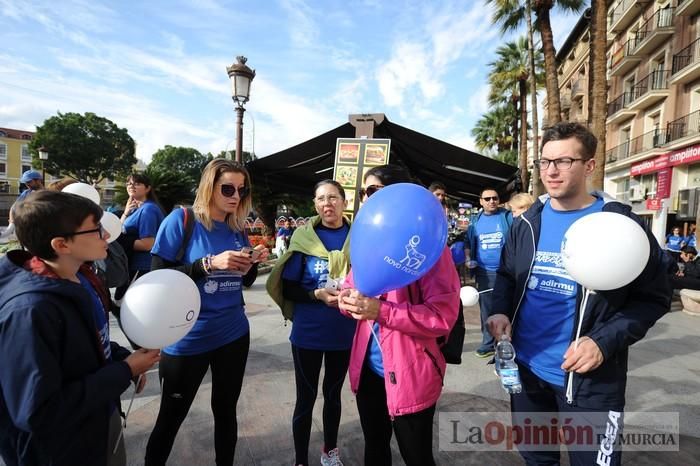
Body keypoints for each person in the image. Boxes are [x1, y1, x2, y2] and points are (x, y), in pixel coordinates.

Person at [487, 122, 671, 466]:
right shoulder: (526, 223)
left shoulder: (622, 226)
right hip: (527, 372)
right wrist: (499, 310)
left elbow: (654, 298)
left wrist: (602, 342)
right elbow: (507, 277)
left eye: (564, 161)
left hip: (590, 385)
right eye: (544, 162)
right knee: (537, 459)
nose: (551, 172)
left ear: (588, 166)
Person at [0, 190, 160, 466]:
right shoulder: (30, 312)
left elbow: (88, 340)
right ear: (62, 244)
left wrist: (121, 357)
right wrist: (125, 370)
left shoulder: (81, 276)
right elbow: (38, 411)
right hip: (61, 450)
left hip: (95, 424)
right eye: (96, 230)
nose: (107, 235)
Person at [144, 159, 269, 466]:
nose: (236, 196)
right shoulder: (181, 219)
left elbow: (246, 281)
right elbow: (158, 277)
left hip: (233, 332)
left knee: (226, 412)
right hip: (187, 335)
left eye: (242, 189)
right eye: (228, 188)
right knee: (171, 417)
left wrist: (250, 262)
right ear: (208, 187)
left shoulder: (237, 227)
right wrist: (209, 264)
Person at [337, 164, 460, 466]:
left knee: (416, 456)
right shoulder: (367, 236)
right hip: (368, 371)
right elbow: (351, 289)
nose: (366, 199)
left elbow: (441, 316)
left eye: (373, 191)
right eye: (364, 192)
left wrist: (382, 311)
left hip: (410, 373)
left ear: (400, 196)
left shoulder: (432, 248)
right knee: (375, 449)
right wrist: (345, 300)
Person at [266, 180, 355, 466]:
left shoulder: (360, 238)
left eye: (332, 198)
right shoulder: (303, 238)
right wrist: (315, 294)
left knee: (333, 396)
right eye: (320, 199)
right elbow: (288, 287)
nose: (327, 204)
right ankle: (301, 461)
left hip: (345, 332)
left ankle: (330, 453)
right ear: (315, 204)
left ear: (344, 201)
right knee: (305, 399)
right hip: (309, 334)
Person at [465, 187, 513, 357]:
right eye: (487, 199)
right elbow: (468, 243)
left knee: (507, 306)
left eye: (495, 197)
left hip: (507, 271)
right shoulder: (475, 221)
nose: (492, 201)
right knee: (486, 309)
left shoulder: (507, 217)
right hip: (484, 272)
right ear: (481, 201)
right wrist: (468, 259)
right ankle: (488, 344)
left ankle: (505, 342)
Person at [115, 173, 165, 299]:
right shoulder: (135, 208)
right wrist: (126, 213)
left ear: (147, 188)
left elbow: (148, 244)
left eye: (137, 183)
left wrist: (121, 241)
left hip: (142, 266)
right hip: (132, 265)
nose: (131, 186)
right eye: (129, 183)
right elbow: (119, 229)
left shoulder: (148, 210)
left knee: (125, 305)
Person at [0, 169, 45, 243]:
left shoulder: (48, 194)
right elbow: (14, 207)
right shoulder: (26, 193)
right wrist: (12, 221)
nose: (27, 184)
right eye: (26, 182)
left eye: (29, 182)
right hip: (25, 229)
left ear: (38, 180)